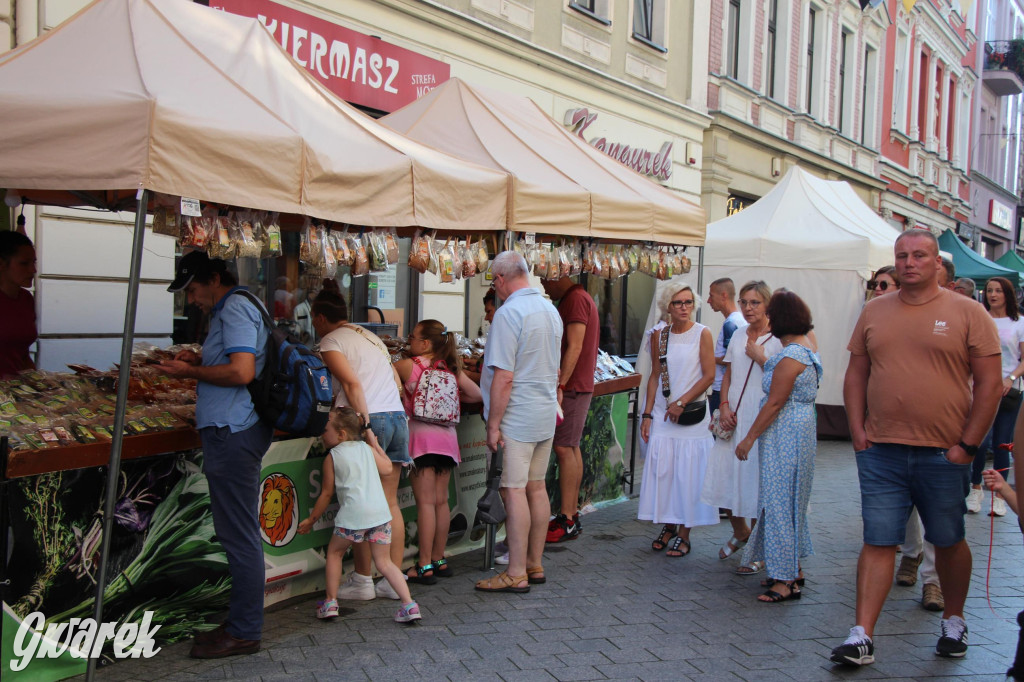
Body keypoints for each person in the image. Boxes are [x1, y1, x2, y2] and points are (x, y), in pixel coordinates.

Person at [833, 229, 1001, 666]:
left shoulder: (968, 312)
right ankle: (861, 635)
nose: (909, 263)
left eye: (920, 256)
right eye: (902, 256)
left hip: (944, 452)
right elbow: (856, 374)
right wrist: (857, 431)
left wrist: (968, 446)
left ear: (938, 264)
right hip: (882, 450)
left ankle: (954, 618)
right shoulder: (874, 310)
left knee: (947, 540)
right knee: (878, 540)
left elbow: (989, 385)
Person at [158, 251, 273, 659]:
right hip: (234, 428)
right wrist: (201, 357)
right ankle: (240, 622)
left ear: (213, 279)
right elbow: (238, 362)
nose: (191, 300)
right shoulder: (237, 305)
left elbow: (242, 372)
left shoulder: (236, 307)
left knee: (239, 535)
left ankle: (244, 631)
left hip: (233, 430)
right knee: (236, 532)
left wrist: (189, 373)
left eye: (192, 289)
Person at [311, 290, 412, 601]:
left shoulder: (330, 341)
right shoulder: (368, 335)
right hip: (397, 416)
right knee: (389, 503)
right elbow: (395, 379)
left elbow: (353, 384)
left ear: (320, 318)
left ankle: (363, 581)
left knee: (359, 503)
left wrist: (365, 424)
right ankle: (392, 580)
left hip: (372, 418)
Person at [475, 251, 562, 593]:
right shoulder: (549, 310)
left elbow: (504, 377)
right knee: (536, 488)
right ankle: (534, 564)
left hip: (518, 414)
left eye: (493, 281)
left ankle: (515, 571)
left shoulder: (509, 313)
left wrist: (493, 424)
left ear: (500, 280)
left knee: (514, 491)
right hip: (543, 411)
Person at [734, 291, 821, 603]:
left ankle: (784, 580)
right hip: (800, 431)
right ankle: (791, 569)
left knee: (779, 503)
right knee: (790, 502)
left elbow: (774, 404)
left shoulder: (791, 357)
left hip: (785, 434)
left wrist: (748, 439)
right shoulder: (805, 348)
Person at [299, 407, 421, 623]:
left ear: (341, 434)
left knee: (335, 553)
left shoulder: (333, 457)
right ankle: (409, 605)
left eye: (325, 430)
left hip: (352, 517)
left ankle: (330, 602)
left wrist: (311, 520)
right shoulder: (367, 449)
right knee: (385, 563)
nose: (321, 434)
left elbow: (326, 494)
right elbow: (386, 469)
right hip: (380, 515)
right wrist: (374, 444)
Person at [701, 281, 783, 569]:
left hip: (759, 416)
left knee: (756, 480)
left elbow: (783, 384)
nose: (748, 308)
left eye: (755, 303)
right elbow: (729, 376)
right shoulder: (737, 334)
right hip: (732, 415)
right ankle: (742, 532)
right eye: (745, 302)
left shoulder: (779, 339)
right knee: (725, 477)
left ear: (767, 305)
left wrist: (762, 359)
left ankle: (760, 548)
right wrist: (723, 405)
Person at [393, 319, 482, 582]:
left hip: (420, 440)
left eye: (412, 337)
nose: (409, 341)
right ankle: (439, 559)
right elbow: (477, 394)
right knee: (442, 502)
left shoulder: (408, 366)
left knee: (425, 504)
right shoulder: (451, 368)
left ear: (425, 343)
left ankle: (423, 565)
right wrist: (454, 398)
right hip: (447, 441)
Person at [639, 285, 718, 558]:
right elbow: (654, 376)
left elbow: (709, 376)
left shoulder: (703, 333)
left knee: (689, 474)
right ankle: (669, 524)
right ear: (667, 307)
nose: (684, 307)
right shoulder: (659, 335)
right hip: (663, 411)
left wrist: (682, 402)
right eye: (677, 303)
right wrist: (647, 414)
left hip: (692, 413)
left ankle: (685, 533)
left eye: (688, 302)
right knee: (666, 470)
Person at [541, 274, 600, 543]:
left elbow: (575, 345)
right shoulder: (576, 297)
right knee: (570, 447)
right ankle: (570, 514)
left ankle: (567, 517)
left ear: (559, 276)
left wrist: (560, 385)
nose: (543, 284)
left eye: (545, 278)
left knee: (565, 448)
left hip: (574, 385)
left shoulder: (575, 299)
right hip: (577, 384)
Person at [968, 277, 1024, 518]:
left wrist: (1010, 378)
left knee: (1002, 442)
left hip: (1008, 390)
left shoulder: (1019, 322)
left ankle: (1000, 496)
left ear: (1007, 294)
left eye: (998, 291)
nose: (992, 295)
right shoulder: (980, 318)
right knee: (979, 441)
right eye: (989, 290)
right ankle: (976, 488)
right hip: (981, 388)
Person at [0, 231, 37, 378]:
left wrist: (38, 382)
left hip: (16, 391)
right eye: (24, 263)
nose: (33, 270)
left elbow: (22, 353)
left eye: (34, 262)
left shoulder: (26, 299)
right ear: (1, 264)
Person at [706, 278, 745, 415]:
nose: (708, 301)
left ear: (724, 295)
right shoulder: (739, 320)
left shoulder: (731, 324)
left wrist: (708, 357)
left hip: (723, 389)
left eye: (711, 295)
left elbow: (732, 359)